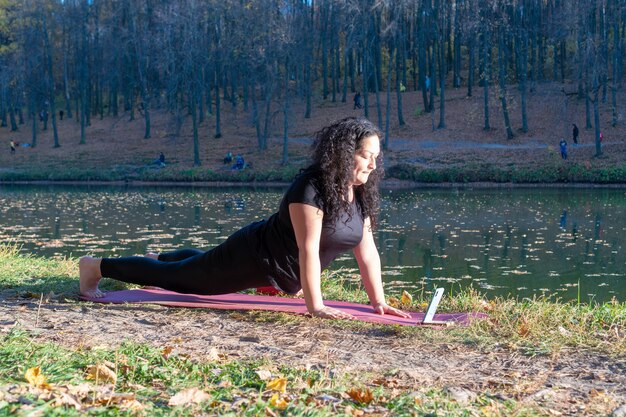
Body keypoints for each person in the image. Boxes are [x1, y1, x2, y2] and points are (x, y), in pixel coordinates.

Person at [79, 117, 410, 320]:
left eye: (375, 158)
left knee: (199, 264)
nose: (372, 165)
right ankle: (95, 267)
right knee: (183, 279)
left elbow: (367, 254)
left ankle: (159, 257)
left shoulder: (359, 194)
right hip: (257, 258)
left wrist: (379, 302)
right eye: (366, 156)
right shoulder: (311, 188)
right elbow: (308, 248)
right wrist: (316, 306)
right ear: (343, 154)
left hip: (279, 275)